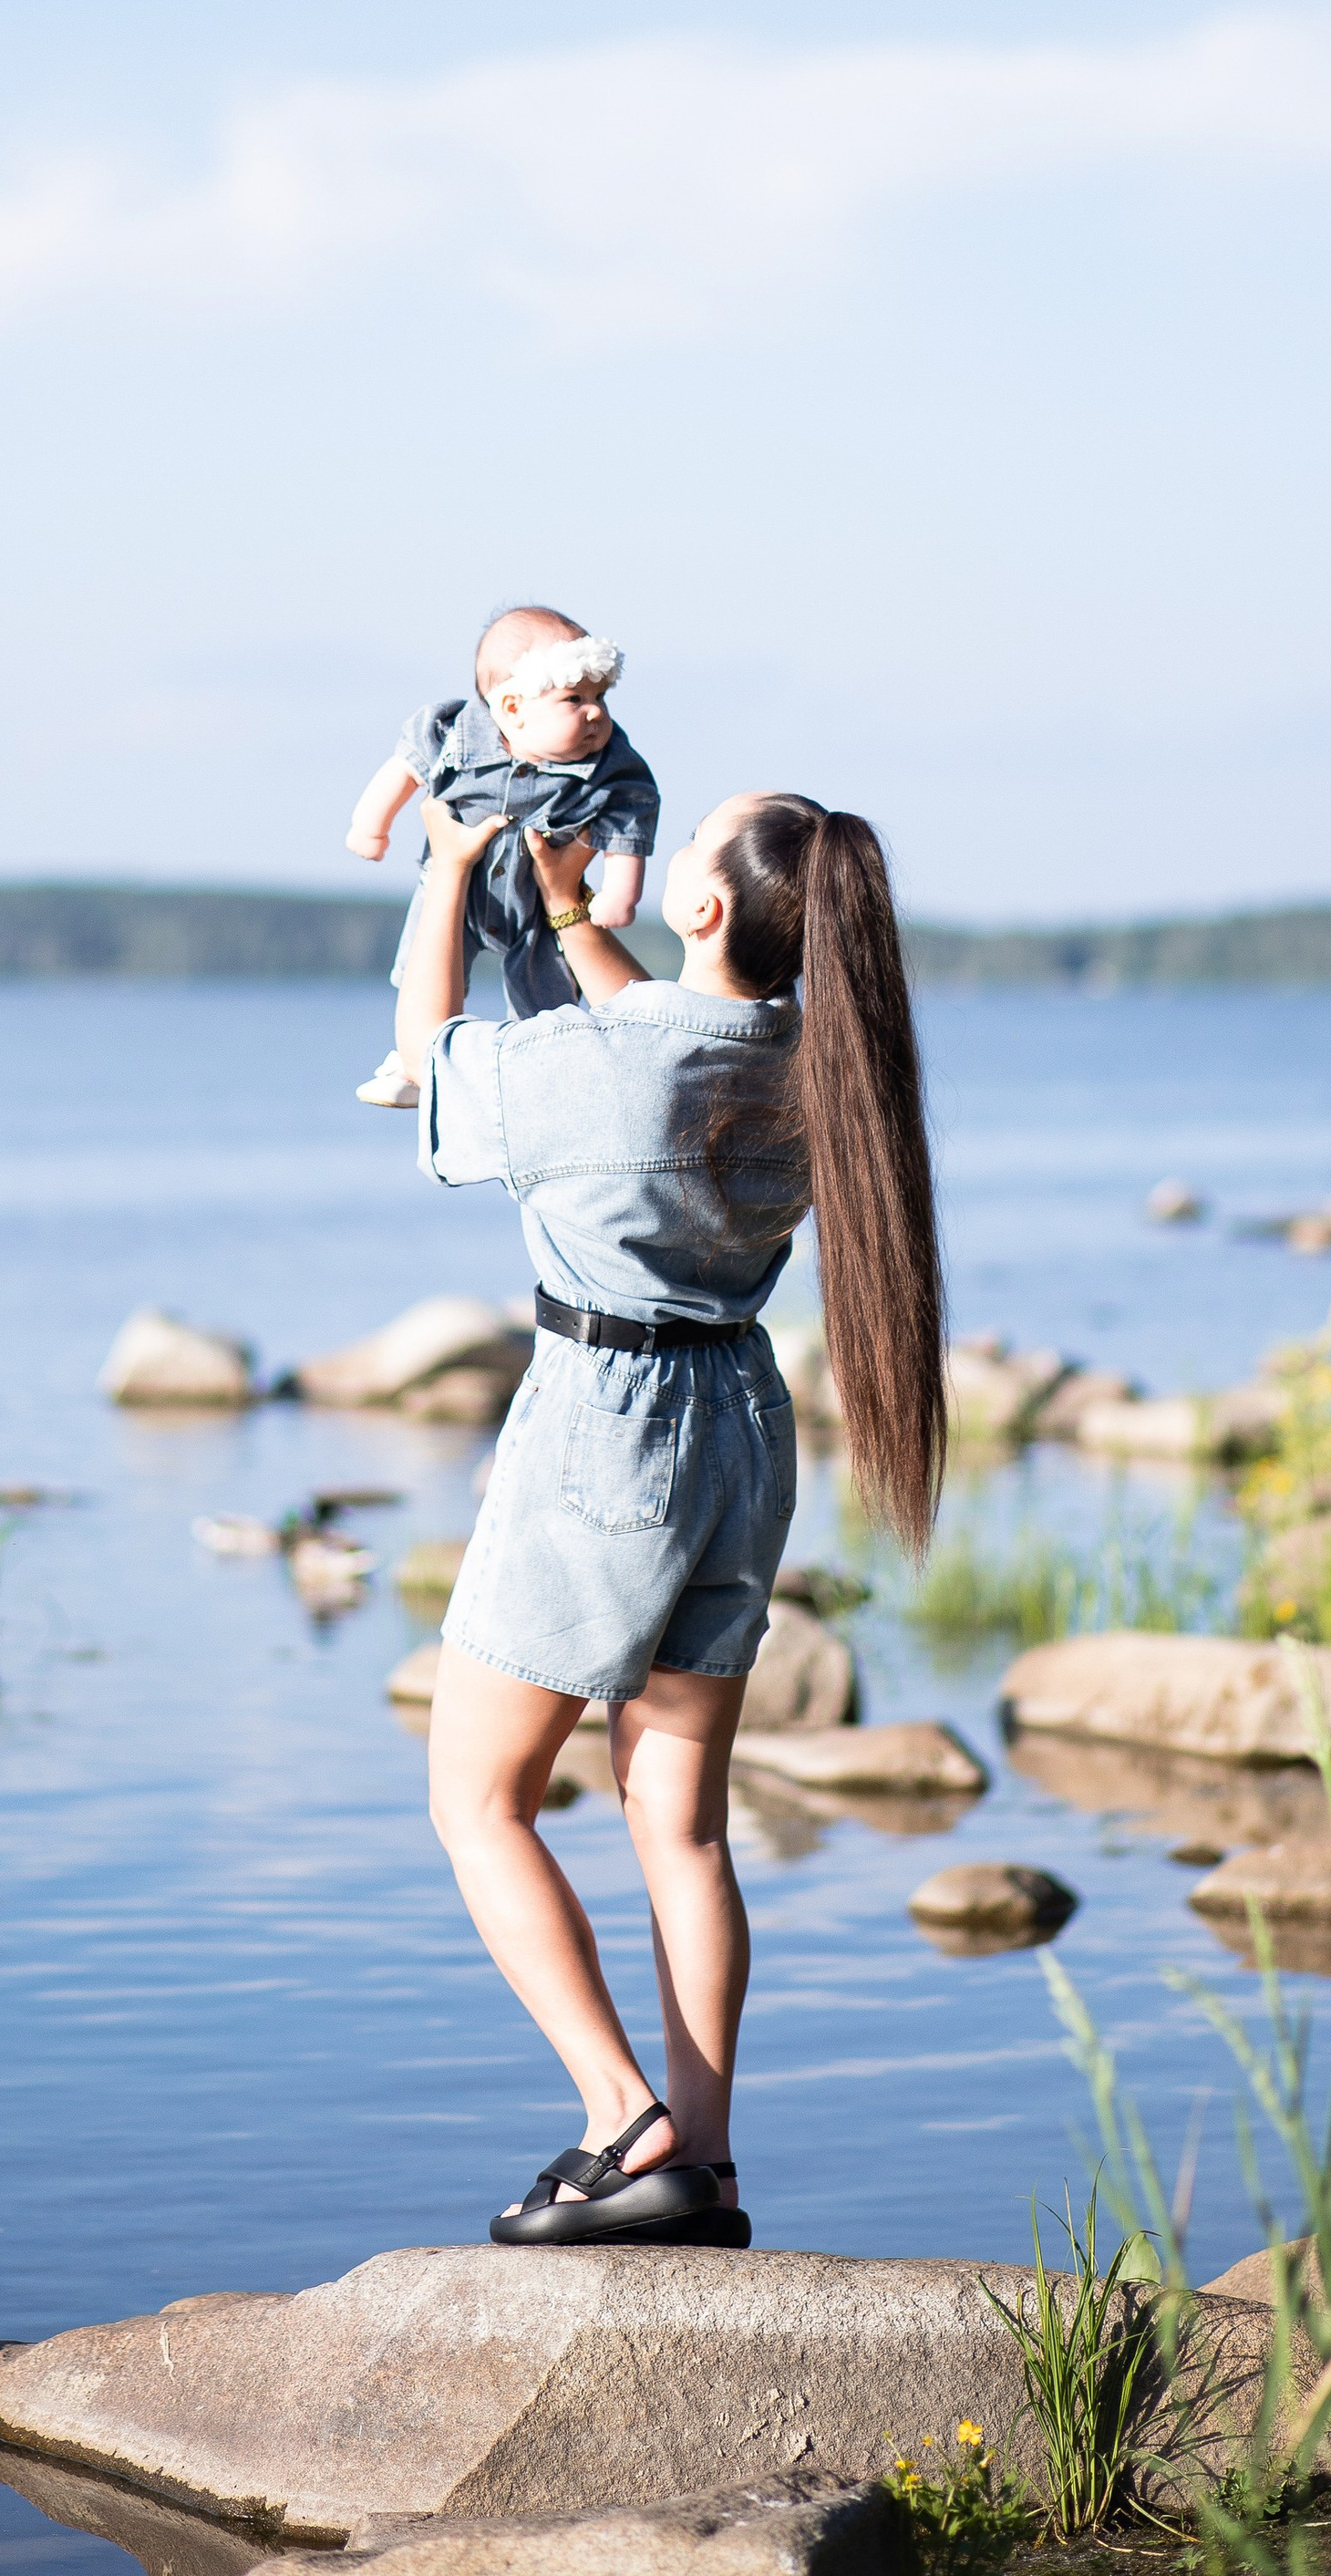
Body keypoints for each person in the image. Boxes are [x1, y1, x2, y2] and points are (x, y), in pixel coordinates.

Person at [400, 784, 944, 2246]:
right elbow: (670, 1039)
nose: (675, 849)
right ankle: (701, 2160)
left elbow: (432, 1067)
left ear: (701, 906)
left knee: (477, 1799)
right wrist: (572, 913)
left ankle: (620, 2115)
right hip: (738, 1432)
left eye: (692, 842)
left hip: (604, 1430)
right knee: (680, 1828)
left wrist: (452, 874)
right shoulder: (818, 1067)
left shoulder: (599, 1071)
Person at [346, 605, 660, 1111]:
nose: (596, 713)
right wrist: (371, 825)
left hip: (539, 905)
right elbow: (402, 771)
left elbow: (632, 812)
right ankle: (411, 1066)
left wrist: (621, 894)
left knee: (548, 992)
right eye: (574, 699)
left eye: (601, 697)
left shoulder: (612, 764)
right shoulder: (452, 732)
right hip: (457, 889)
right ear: (512, 708)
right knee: (423, 968)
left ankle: (551, 1064)